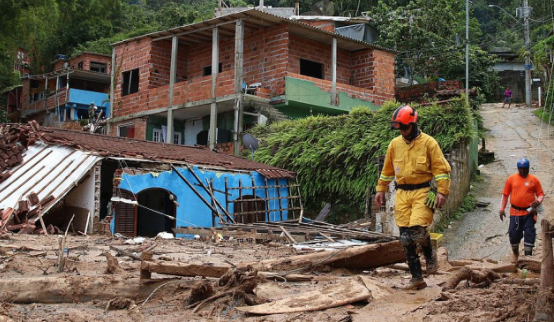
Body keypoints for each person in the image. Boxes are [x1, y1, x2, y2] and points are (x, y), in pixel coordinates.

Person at [375, 105, 452, 290]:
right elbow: (387, 171)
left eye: (404, 127)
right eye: (399, 128)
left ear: (414, 123)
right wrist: (380, 189)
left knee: (417, 231)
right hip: (402, 193)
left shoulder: (429, 143)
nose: (402, 131)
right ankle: (417, 278)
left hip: (423, 192)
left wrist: (442, 191)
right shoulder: (394, 145)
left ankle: (429, 254)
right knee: (405, 239)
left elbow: (441, 171)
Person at [499, 158, 545, 262]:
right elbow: (505, 195)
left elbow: (541, 194)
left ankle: (528, 259)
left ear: (528, 168)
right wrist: (501, 209)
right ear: (518, 168)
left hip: (529, 212)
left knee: (529, 233)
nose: (523, 171)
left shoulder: (534, 180)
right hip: (515, 212)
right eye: (521, 169)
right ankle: (515, 253)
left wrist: (538, 201)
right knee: (513, 234)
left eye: (525, 169)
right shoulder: (511, 179)